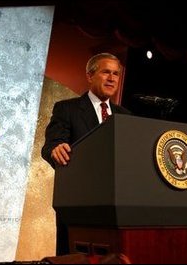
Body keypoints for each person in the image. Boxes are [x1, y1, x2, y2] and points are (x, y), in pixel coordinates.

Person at [41, 52, 132, 255]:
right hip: (78, 205)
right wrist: (56, 150)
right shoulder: (67, 109)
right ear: (90, 76)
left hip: (118, 205)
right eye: (106, 72)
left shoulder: (125, 116)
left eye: (116, 74)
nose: (111, 78)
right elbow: (51, 146)